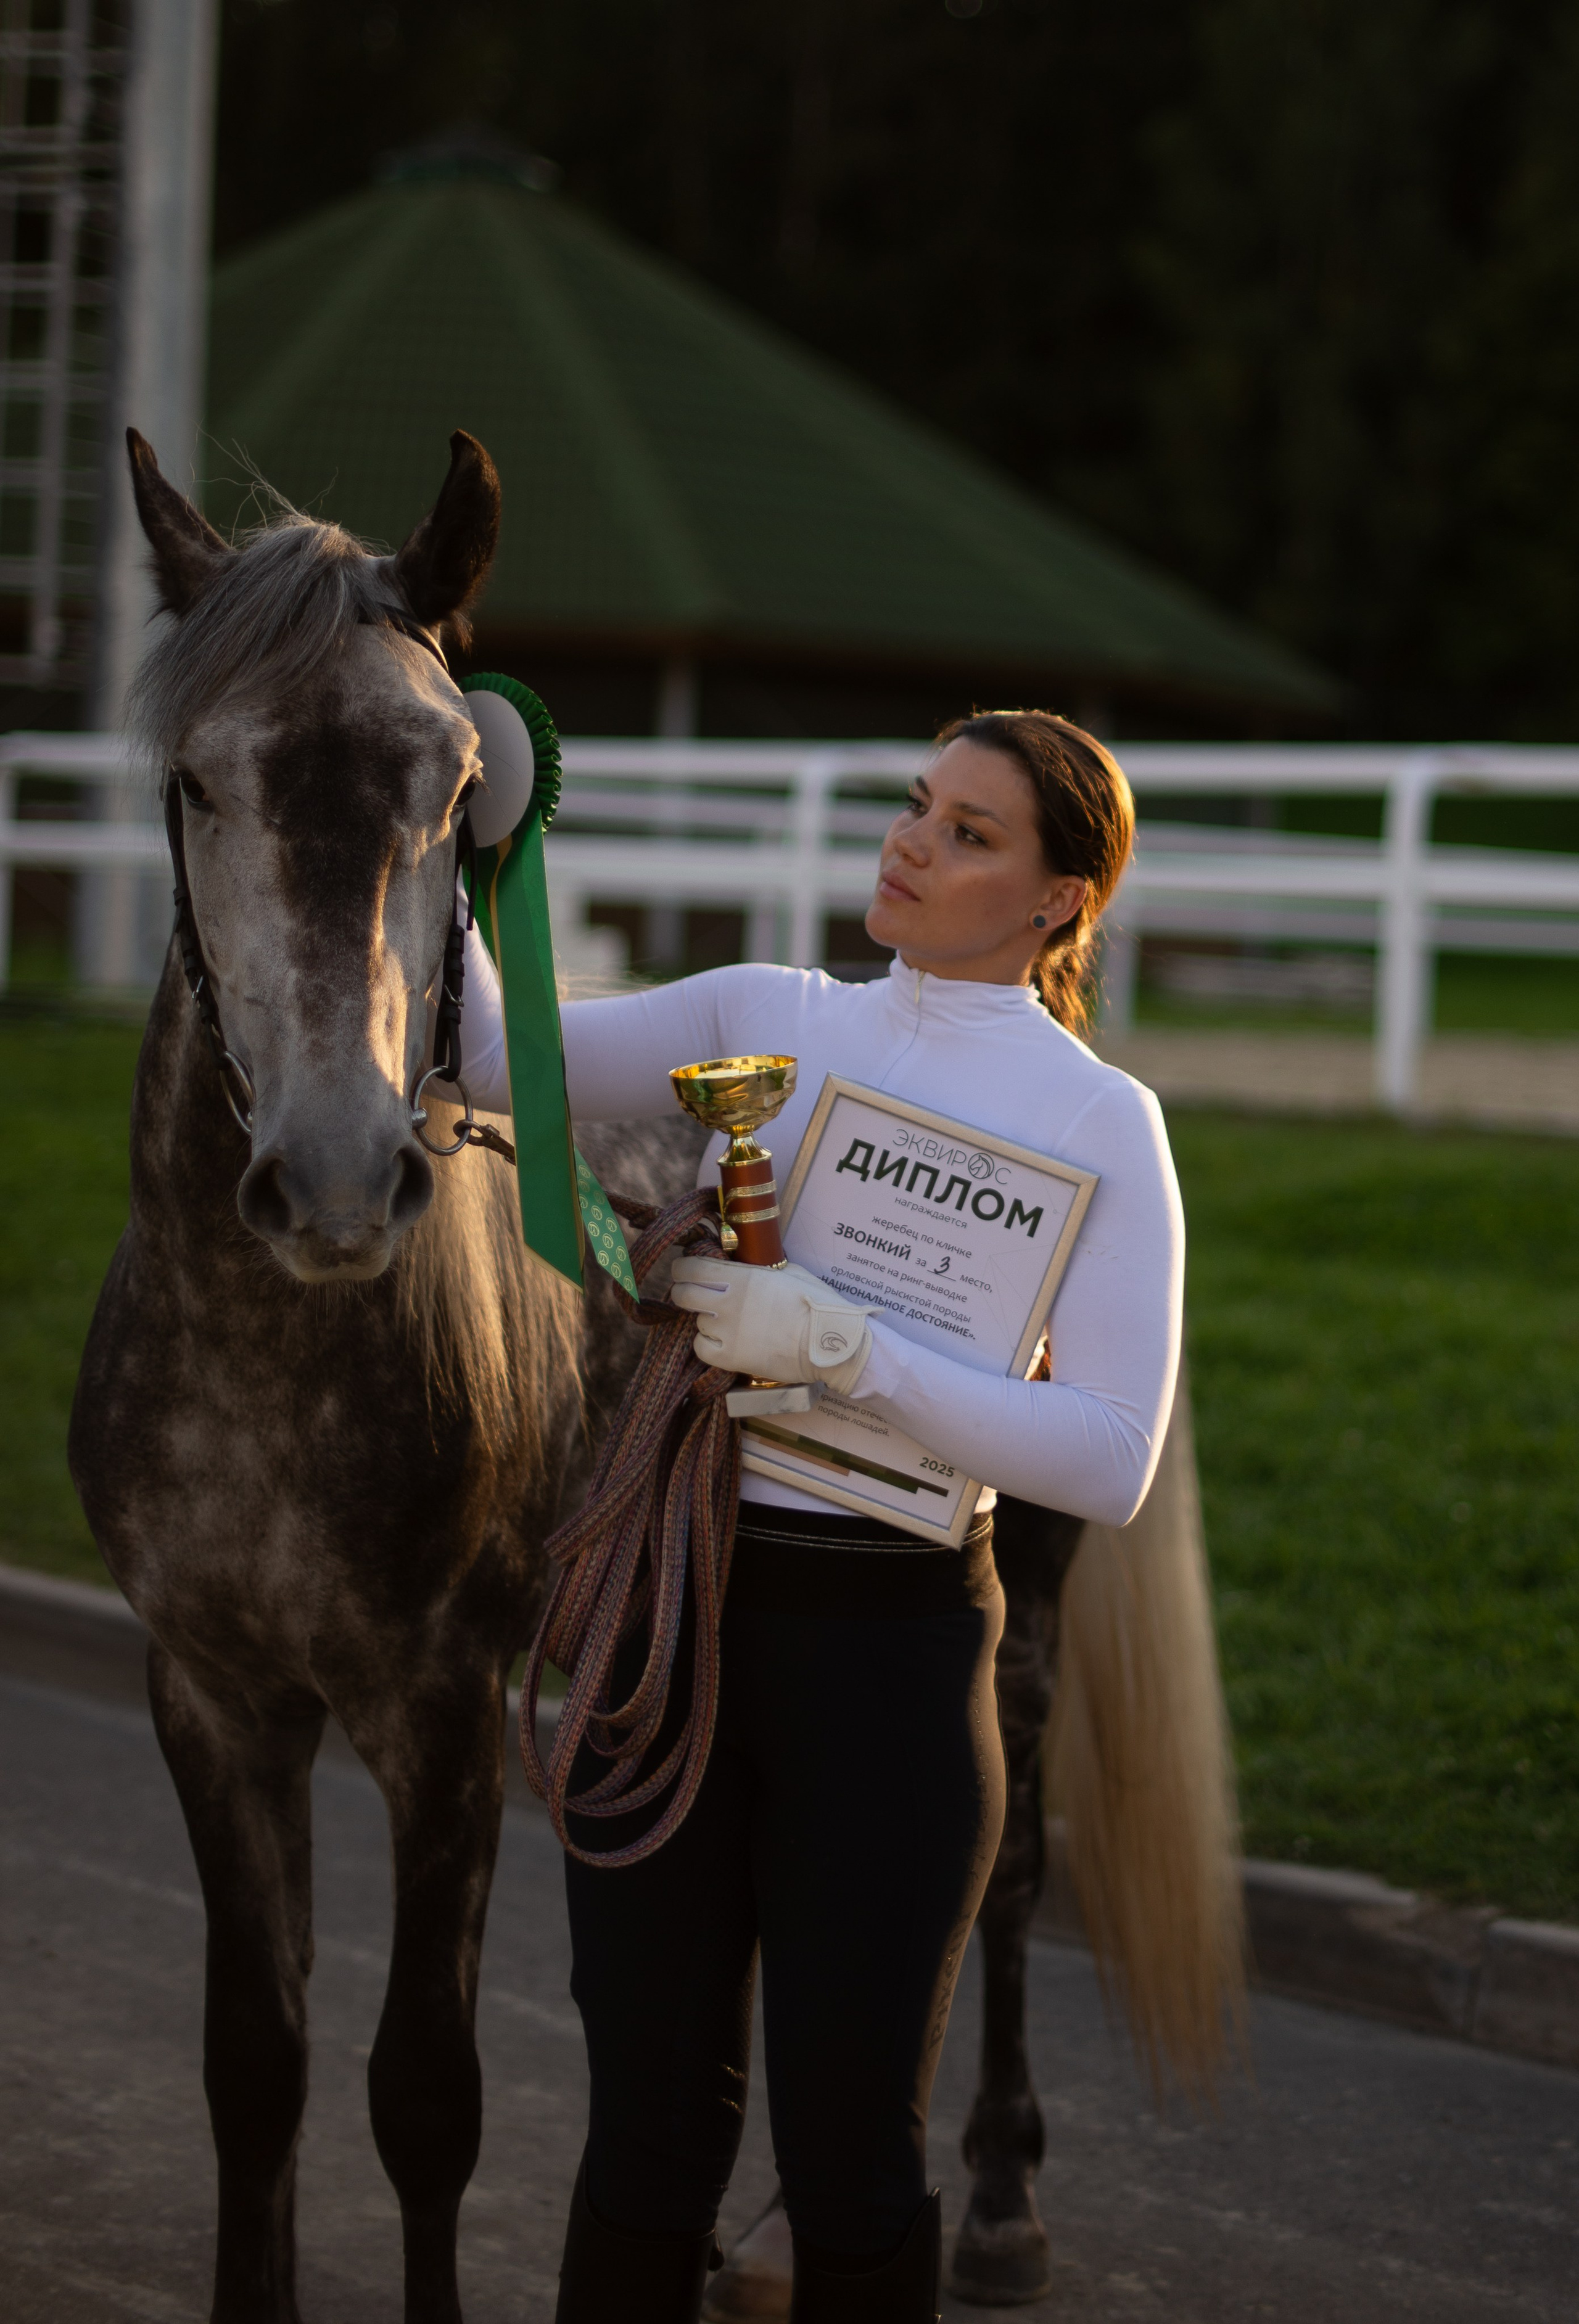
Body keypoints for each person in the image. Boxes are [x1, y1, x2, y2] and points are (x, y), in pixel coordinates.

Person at [461, 711, 1182, 2322]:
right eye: (918, 805)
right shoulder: (763, 1012)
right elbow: (495, 1058)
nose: (911, 843)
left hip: (898, 1665)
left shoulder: (1103, 1125)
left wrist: (852, 1351)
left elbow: (1114, 1455)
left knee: (851, 2156)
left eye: (970, 833)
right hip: (680, 1628)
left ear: (1062, 899)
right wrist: (461, 832)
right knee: (643, 2146)